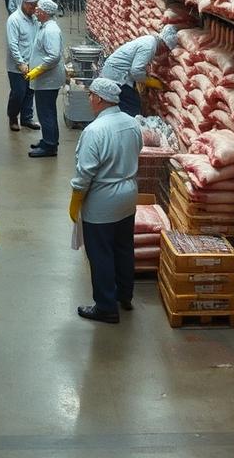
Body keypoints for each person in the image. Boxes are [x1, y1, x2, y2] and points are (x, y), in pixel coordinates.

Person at [68, 78, 142, 324]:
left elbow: (85, 171)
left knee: (100, 253)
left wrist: (76, 197)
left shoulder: (95, 131)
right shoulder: (132, 123)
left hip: (103, 199)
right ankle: (124, 295)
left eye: (91, 95)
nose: (89, 99)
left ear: (99, 99)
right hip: (128, 194)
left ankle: (106, 306)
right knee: (123, 247)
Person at [100, 25, 179, 116]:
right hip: (117, 75)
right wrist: (150, 82)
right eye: (166, 50)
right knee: (131, 105)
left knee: (128, 102)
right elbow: (136, 71)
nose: (164, 53)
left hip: (117, 72)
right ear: (164, 44)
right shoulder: (149, 46)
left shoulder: (150, 41)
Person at [25, 0, 65, 157]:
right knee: (47, 111)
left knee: (45, 112)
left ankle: (49, 146)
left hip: (47, 79)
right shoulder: (45, 27)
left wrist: (38, 70)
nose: (36, 11)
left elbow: (54, 56)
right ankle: (49, 140)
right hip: (45, 79)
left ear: (45, 13)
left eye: (39, 10)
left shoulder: (50, 31)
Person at [5, 0, 42, 132]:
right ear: (24, 3)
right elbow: (12, 44)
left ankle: (27, 118)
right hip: (17, 66)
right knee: (18, 92)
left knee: (30, 91)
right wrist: (20, 62)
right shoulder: (14, 20)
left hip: (32, 63)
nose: (34, 8)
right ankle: (13, 117)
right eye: (32, 5)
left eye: (35, 5)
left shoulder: (34, 19)